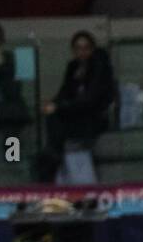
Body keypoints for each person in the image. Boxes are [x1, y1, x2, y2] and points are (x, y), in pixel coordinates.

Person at [35, 31, 115, 184]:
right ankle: (54, 158)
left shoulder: (99, 68)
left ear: (92, 49)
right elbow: (64, 92)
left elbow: (90, 100)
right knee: (54, 119)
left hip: (93, 117)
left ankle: (54, 157)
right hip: (74, 115)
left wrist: (59, 107)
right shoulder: (73, 67)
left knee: (61, 127)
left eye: (86, 48)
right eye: (78, 48)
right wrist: (52, 104)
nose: (82, 52)